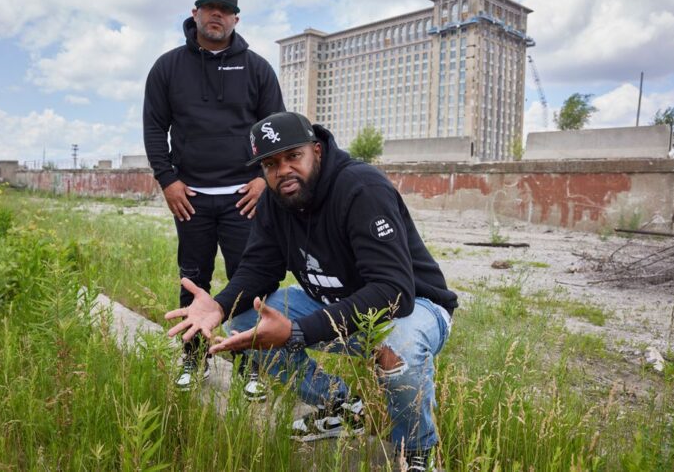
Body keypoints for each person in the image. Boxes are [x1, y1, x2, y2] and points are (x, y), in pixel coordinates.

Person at [165, 112, 458, 470]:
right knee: (244, 322)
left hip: (414, 308)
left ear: (316, 151)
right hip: (336, 308)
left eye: (293, 156)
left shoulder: (361, 187)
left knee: (399, 347)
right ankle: (343, 407)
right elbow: (259, 268)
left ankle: (416, 451)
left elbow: (393, 290)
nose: (282, 170)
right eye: (270, 164)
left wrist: (298, 332)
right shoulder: (276, 202)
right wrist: (220, 306)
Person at [143, 0, 285, 394]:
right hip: (192, 201)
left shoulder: (257, 68)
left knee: (251, 280)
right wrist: (167, 180)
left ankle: (251, 365)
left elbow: (275, 130)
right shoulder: (168, 67)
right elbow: (155, 127)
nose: (216, 15)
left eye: (224, 9)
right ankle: (193, 360)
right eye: (209, 7)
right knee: (193, 279)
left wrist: (263, 179)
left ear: (236, 18)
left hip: (245, 198)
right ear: (195, 13)